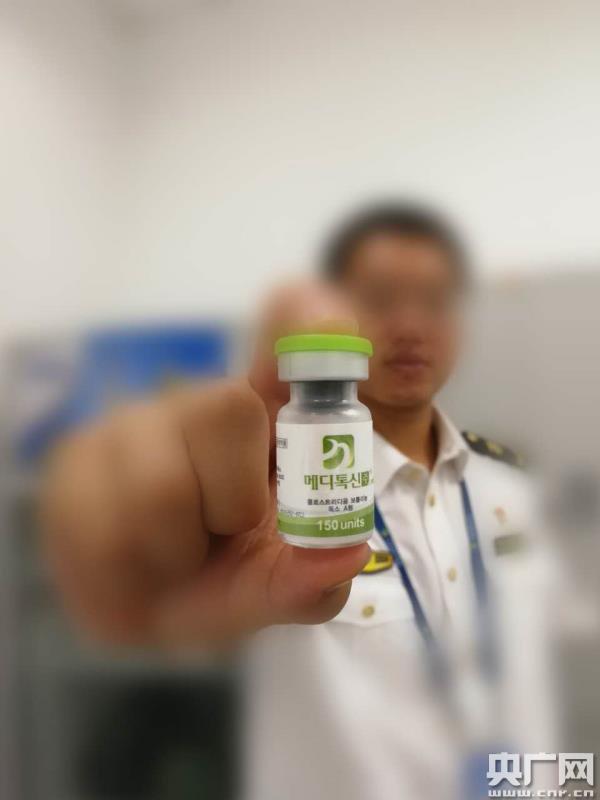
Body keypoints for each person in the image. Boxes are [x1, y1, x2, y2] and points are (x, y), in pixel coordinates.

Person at [42, 203, 556, 800]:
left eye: (434, 301)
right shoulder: (270, 500)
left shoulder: (509, 488)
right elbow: (178, 613)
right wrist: (133, 556)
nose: (411, 323)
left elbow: (535, 685)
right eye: (381, 298)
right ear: (333, 319)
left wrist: (569, 783)